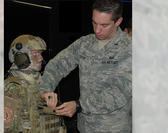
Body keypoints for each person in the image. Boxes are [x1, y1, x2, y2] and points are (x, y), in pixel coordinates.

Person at [39, 0, 132, 133]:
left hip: (113, 128)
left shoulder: (129, 49)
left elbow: (119, 93)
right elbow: (57, 64)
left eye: (104, 25)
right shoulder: (85, 44)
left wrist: (79, 105)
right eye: (94, 22)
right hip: (85, 127)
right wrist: (45, 89)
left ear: (118, 22)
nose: (97, 30)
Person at [4, 34, 66, 133]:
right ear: (21, 58)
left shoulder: (42, 83)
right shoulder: (12, 87)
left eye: (41, 53)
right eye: (35, 54)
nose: (41, 58)